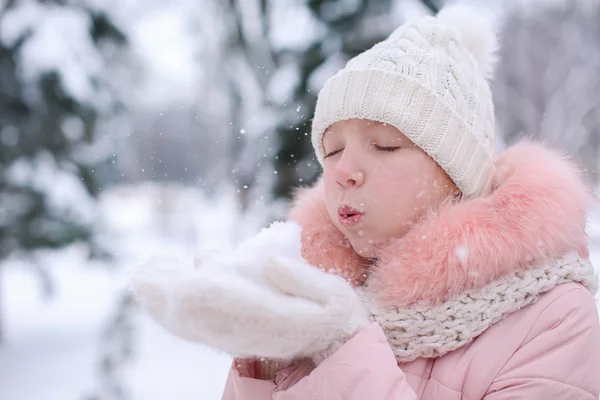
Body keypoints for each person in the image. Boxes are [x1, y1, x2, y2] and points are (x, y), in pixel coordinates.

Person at [130, 4, 600, 399]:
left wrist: (341, 348)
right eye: (331, 151)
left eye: (384, 145)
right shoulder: (309, 289)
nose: (342, 172)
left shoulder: (553, 320)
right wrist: (261, 351)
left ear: (459, 175)